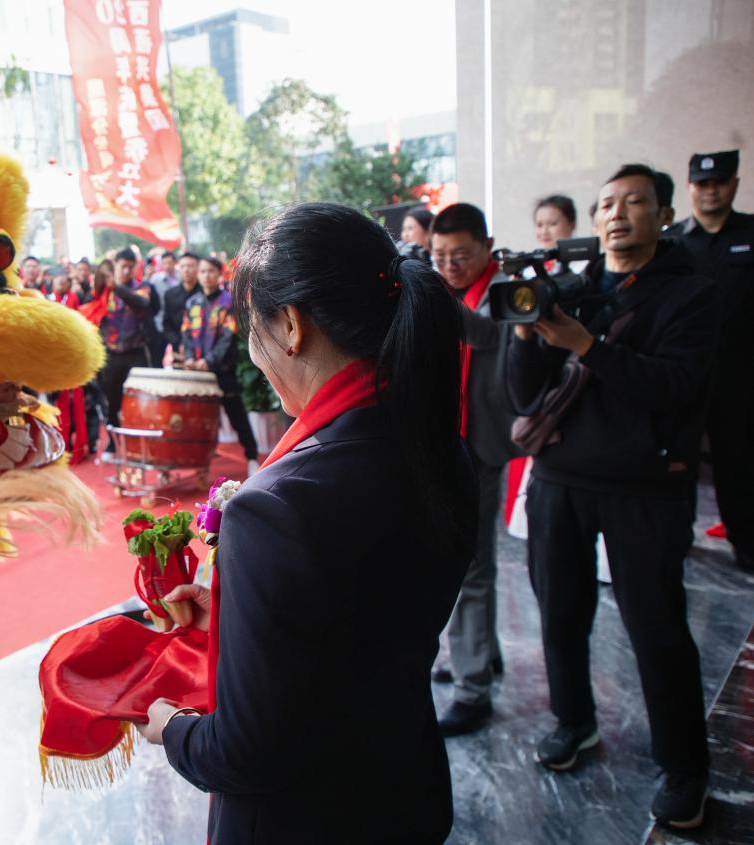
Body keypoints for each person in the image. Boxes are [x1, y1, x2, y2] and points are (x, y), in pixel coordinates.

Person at [136, 202, 475, 844]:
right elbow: (368, 620)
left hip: (304, 820)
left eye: (252, 330)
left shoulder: (274, 508)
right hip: (405, 787)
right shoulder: (440, 448)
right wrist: (239, 610)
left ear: (291, 326)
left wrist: (170, 728)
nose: (254, 353)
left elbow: (246, 752)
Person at [507, 163, 716, 828]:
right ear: (594, 220)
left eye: (634, 202)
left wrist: (587, 346)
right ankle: (573, 721)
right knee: (559, 614)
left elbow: (673, 387)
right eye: (607, 204)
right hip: (560, 478)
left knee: (657, 629)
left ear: (663, 215)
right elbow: (522, 395)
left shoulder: (689, 292)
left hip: (645, 487)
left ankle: (684, 767)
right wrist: (524, 334)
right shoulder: (568, 288)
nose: (618, 214)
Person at [428, 202, 517, 735]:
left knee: (471, 566)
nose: (449, 266)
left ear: (487, 247)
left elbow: (488, 337)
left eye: (460, 255)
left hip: (481, 445)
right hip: (452, 442)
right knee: (474, 561)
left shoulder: (506, 290)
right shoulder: (452, 289)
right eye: (439, 257)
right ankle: (482, 653)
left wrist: (434, 297)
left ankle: (472, 690)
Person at [666, 149, 753, 572]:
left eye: (719, 182)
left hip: (740, 374)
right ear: (689, 189)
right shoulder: (672, 242)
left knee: (739, 461)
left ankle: (746, 542)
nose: (710, 191)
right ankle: (676, 538)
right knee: (677, 460)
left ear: (734, 185)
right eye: (702, 184)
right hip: (684, 372)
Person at [179, 256, 259, 473]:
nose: (206, 275)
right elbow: (186, 334)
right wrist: (190, 358)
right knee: (199, 418)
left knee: (237, 416)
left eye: (211, 271)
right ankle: (199, 464)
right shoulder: (192, 303)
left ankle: (252, 457)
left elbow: (227, 336)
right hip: (197, 373)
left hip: (222, 371)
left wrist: (209, 361)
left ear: (219, 274)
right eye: (203, 271)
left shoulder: (228, 302)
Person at [97, 247, 153, 448]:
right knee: (111, 400)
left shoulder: (142, 287)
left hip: (136, 353)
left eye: (131, 267)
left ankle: (141, 442)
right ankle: (113, 443)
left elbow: (141, 303)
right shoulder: (105, 291)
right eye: (123, 266)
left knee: (140, 398)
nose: (127, 271)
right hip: (111, 355)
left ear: (136, 267)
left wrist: (117, 288)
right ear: (116, 266)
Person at [163, 252, 202, 357]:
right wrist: (178, 344)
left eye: (190, 266)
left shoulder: (204, 294)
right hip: (178, 349)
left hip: (203, 349)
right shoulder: (170, 294)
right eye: (182, 266)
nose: (186, 270)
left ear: (198, 268)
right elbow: (167, 324)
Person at [146, 251, 178, 366]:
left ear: (175, 263)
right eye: (164, 263)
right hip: (159, 323)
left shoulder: (182, 278)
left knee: (178, 358)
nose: (167, 266)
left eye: (170, 263)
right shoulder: (155, 279)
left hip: (176, 325)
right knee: (157, 357)